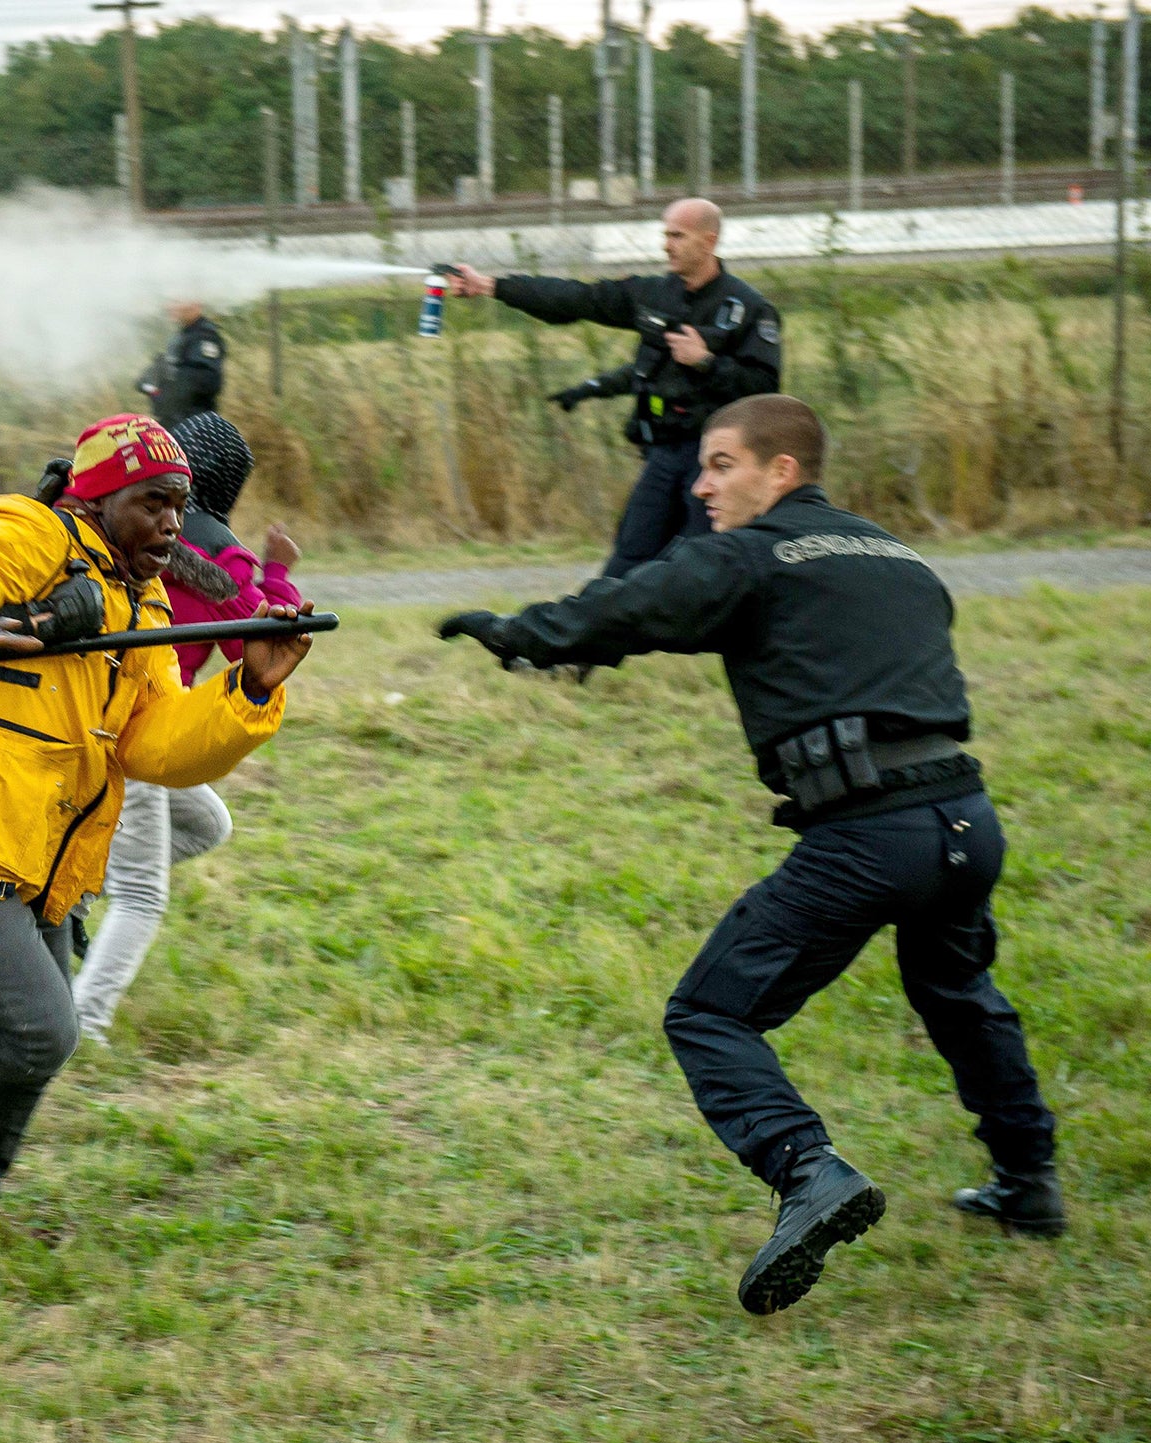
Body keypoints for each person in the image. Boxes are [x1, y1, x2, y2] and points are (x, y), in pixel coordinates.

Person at [438, 394, 1061, 1316]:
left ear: (783, 470)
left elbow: (633, 605)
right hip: (967, 822)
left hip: (867, 835)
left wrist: (517, 634)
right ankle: (1030, 1182)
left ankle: (808, 1170)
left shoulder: (753, 555)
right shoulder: (897, 554)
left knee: (709, 1014)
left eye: (721, 464)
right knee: (960, 996)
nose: (701, 484)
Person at [0, 412, 314, 1229]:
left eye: (181, 503)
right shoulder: (30, 532)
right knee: (39, 1032)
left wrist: (250, 690)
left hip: (44, 847)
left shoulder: (143, 606)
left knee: (38, 1039)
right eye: (154, 502)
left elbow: (157, 746)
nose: (173, 522)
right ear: (97, 501)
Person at [70, 410, 302, 1046]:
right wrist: (276, 570)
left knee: (208, 824)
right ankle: (80, 1024)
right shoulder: (216, 551)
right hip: (137, 721)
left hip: (94, 709)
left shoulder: (120, 524)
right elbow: (258, 636)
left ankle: (76, 891)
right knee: (143, 895)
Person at [442, 199, 782, 578]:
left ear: (709, 241)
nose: (666, 245)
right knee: (628, 559)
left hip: (714, 460)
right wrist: (490, 285)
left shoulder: (749, 308)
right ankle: (603, 633)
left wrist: (706, 362)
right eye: (665, 235)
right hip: (663, 452)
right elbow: (577, 299)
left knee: (703, 564)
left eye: (676, 236)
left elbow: (766, 389)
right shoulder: (653, 294)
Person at [136, 300, 225, 427]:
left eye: (177, 301)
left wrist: (167, 381)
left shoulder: (205, 336)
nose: (171, 306)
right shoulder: (182, 336)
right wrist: (153, 385)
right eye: (171, 301)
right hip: (174, 423)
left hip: (195, 425)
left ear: (196, 304)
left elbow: (207, 381)